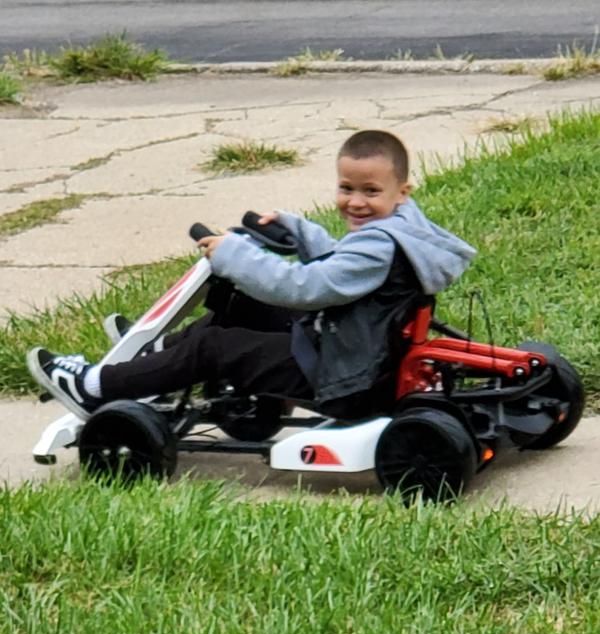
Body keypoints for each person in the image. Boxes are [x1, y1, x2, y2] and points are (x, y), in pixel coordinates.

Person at [27, 130, 476, 421]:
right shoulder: (403, 230)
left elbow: (304, 288)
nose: (355, 202)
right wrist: (300, 230)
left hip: (345, 377)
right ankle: (151, 361)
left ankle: (95, 387)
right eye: (346, 188)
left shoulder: (377, 245)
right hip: (359, 348)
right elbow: (345, 270)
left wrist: (234, 256)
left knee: (214, 345)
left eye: (370, 192)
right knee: (240, 307)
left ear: (403, 191)